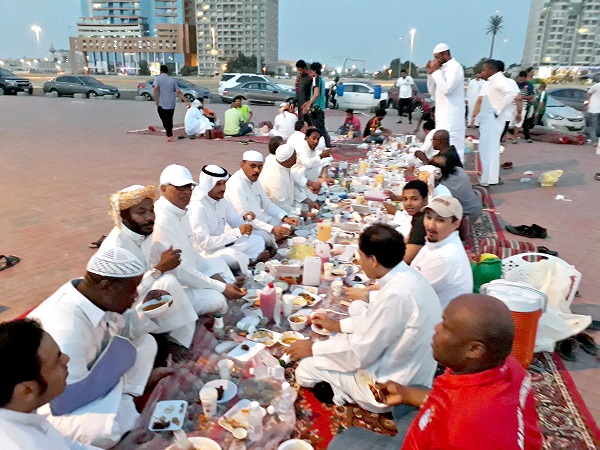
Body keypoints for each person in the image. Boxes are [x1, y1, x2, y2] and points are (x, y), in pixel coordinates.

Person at [327, 294, 543, 450]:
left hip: (453, 434)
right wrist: (404, 393)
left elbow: (461, 417)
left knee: (344, 441)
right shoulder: (508, 367)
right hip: (453, 424)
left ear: (474, 349)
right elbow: (450, 401)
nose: (436, 328)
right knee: (413, 392)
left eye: (447, 327)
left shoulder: (465, 426)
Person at [288, 224, 442, 413]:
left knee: (304, 370)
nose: (359, 261)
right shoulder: (407, 277)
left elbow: (360, 354)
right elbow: (376, 322)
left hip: (391, 386)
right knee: (338, 337)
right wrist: (337, 325)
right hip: (411, 370)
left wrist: (313, 348)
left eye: (361, 256)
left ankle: (339, 393)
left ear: (373, 260)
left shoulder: (396, 294)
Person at [27, 246, 165, 447]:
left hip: (97, 375)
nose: (135, 295)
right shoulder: (65, 327)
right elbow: (65, 399)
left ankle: (125, 398)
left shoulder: (94, 296)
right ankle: (124, 403)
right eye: (131, 289)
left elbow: (121, 333)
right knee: (102, 432)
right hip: (57, 403)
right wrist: (117, 384)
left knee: (146, 343)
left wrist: (152, 312)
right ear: (106, 286)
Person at [0, 319, 153, 450]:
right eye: (57, 361)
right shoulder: (18, 444)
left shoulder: (22, 414)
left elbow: (69, 446)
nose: (66, 359)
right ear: (27, 391)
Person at [101, 185, 198, 348]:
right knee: (168, 283)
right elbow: (124, 298)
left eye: (151, 210)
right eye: (141, 212)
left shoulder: (144, 233)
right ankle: (168, 342)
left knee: (171, 283)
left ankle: (177, 342)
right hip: (120, 320)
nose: (149, 217)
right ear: (123, 216)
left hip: (139, 300)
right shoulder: (116, 249)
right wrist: (159, 269)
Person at [151, 164, 245, 316]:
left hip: (189, 272)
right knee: (217, 298)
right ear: (163, 189)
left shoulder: (180, 212)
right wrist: (220, 287)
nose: (187, 192)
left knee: (218, 266)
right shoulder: (162, 219)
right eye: (180, 188)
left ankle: (227, 288)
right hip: (169, 288)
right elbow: (179, 270)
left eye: (189, 187)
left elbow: (193, 256)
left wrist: (221, 284)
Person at [188, 165, 266, 276]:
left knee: (258, 241)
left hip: (222, 245)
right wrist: (237, 232)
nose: (223, 188)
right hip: (206, 254)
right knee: (234, 256)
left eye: (224, 183)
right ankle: (250, 263)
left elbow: (236, 222)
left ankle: (246, 263)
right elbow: (205, 244)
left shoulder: (221, 200)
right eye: (218, 184)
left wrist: (246, 220)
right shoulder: (198, 206)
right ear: (208, 185)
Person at [225, 150, 299, 248]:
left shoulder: (254, 180)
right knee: (265, 237)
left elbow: (267, 204)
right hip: (243, 227)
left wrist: (285, 217)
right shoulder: (235, 185)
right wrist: (272, 229)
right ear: (242, 165)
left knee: (283, 222)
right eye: (253, 166)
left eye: (260, 167)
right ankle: (272, 242)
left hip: (260, 220)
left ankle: (275, 238)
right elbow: (245, 218)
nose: (257, 170)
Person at [410, 196, 473, 309]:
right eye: (428, 217)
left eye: (440, 220)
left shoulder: (444, 256)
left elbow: (410, 295)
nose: (430, 225)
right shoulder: (437, 242)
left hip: (437, 322)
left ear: (455, 224)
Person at [470, 60, 521, 187]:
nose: (482, 72)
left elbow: (511, 94)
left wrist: (497, 109)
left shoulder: (499, 80)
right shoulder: (491, 82)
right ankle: (488, 177)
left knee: (489, 149)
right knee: (487, 149)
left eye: (484, 70)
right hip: (489, 119)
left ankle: (488, 179)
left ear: (492, 70)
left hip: (494, 119)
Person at [426, 43, 466, 161]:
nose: (436, 60)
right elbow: (432, 91)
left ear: (445, 54)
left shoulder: (455, 67)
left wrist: (436, 72)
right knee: (441, 146)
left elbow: (447, 89)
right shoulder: (441, 70)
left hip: (452, 116)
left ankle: (457, 175)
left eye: (437, 57)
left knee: (454, 147)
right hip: (442, 115)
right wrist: (430, 73)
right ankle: (445, 174)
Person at [382, 180, 429, 264]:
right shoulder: (417, 217)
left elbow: (404, 261)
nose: (408, 203)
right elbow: (405, 242)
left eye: (414, 199)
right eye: (405, 199)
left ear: (425, 200)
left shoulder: (422, 222)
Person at [260, 144, 316, 215]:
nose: (297, 157)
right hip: (273, 214)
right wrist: (303, 214)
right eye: (295, 155)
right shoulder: (275, 176)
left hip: (287, 207)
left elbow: (291, 189)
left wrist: (308, 201)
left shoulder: (285, 167)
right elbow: (281, 205)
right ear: (289, 160)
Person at [430, 154, 483, 222]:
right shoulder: (459, 170)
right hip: (476, 210)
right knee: (478, 191)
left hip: (461, 217)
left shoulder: (440, 185)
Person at [153, 65, 189, 142]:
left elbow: (155, 87)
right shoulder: (172, 80)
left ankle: (169, 134)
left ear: (161, 71)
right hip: (171, 103)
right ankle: (169, 133)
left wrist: (156, 99)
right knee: (169, 118)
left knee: (164, 118)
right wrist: (186, 101)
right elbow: (178, 91)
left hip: (161, 103)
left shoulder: (157, 78)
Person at [303, 62, 331, 147]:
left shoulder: (316, 79)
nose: (309, 73)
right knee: (321, 127)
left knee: (318, 129)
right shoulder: (321, 80)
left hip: (316, 108)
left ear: (314, 71)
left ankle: (324, 145)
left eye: (311, 71)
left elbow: (316, 94)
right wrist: (307, 102)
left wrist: (309, 104)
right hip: (320, 107)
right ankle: (326, 144)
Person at [513, 71, 535, 143]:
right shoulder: (515, 85)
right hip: (513, 105)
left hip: (523, 106)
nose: (521, 79)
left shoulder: (529, 85)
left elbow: (531, 96)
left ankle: (515, 138)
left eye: (523, 78)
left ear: (525, 78)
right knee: (509, 122)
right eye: (520, 77)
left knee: (519, 122)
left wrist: (523, 97)